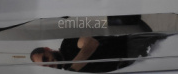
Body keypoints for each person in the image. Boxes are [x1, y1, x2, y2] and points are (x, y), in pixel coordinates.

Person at [30, 34, 167, 72]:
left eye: (45, 59)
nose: (49, 64)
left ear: (47, 49)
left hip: (132, 47)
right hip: (129, 67)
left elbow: (91, 43)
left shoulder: (67, 44)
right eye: (45, 66)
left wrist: (73, 69)